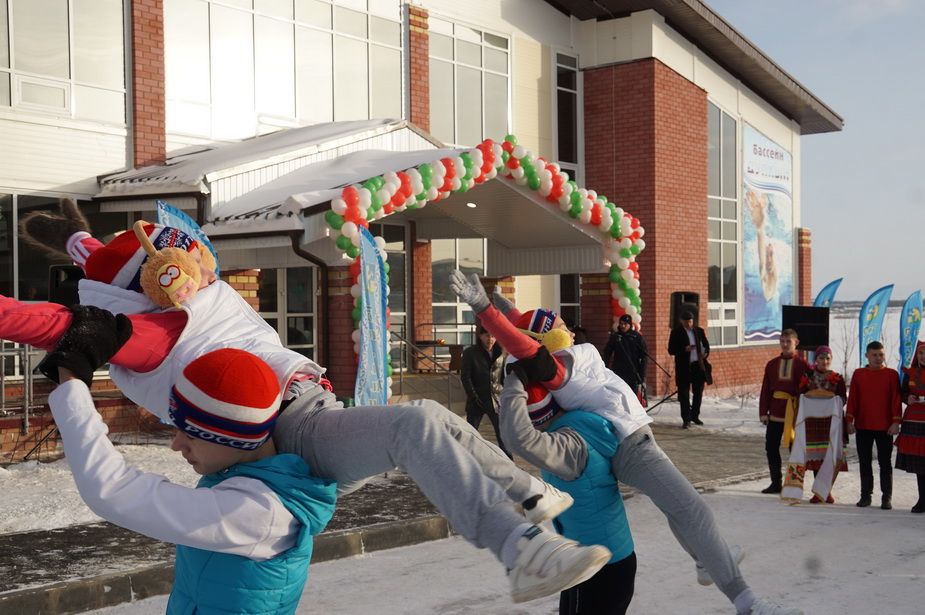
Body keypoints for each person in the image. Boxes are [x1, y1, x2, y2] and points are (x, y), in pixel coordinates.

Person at [4, 204, 607, 604]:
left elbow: (102, 258)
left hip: (303, 417)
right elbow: (57, 321)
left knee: (432, 424)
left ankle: (524, 493)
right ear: (150, 284)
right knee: (418, 423)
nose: (189, 272)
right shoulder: (151, 331)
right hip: (293, 429)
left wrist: (70, 235)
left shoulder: (161, 287)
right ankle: (519, 547)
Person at [451, 270, 804, 615]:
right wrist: (485, 310)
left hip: (631, 437)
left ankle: (704, 558)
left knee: (683, 511)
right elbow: (525, 345)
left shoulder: (564, 355)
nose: (568, 328)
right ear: (549, 341)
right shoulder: (560, 369)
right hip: (630, 445)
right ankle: (747, 602)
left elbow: (525, 330)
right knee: (692, 509)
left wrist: (501, 304)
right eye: (560, 326)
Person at [45, 346, 338, 614]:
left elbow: (112, 490)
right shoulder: (248, 476)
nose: (176, 445)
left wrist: (72, 385)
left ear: (235, 438)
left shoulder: (257, 511)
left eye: (191, 434)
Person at [499, 361, 636, 615]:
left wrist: (515, 382)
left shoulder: (569, 446)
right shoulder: (578, 429)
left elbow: (516, 438)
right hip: (594, 560)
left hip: (600, 567)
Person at [782, 346, 848, 504]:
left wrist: (831, 401)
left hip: (830, 424)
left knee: (829, 455)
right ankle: (818, 491)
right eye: (821, 358)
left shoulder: (837, 378)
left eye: (827, 359)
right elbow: (800, 395)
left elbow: (842, 399)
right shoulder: (808, 377)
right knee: (815, 457)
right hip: (812, 423)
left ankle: (826, 490)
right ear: (815, 360)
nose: (824, 361)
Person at [846, 340, 902, 510]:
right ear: (867, 356)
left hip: (885, 426)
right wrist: (849, 420)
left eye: (881, 355)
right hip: (863, 424)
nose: (878, 358)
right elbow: (853, 398)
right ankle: (865, 495)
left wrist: (896, 422)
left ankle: (887, 497)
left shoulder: (891, 375)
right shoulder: (859, 374)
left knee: (885, 463)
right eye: (874, 355)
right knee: (864, 461)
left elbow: (896, 400)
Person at [757, 329, 811, 494]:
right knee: (771, 447)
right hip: (774, 412)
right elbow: (765, 389)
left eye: (788, 341)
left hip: (794, 414)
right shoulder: (772, 364)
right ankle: (776, 483)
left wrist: (804, 413)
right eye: (782, 341)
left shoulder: (804, 365)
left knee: (795, 449)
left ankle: (795, 484)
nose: (785, 344)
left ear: (796, 343)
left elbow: (808, 390)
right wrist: (763, 411)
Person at [461, 324, 512, 458]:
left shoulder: (501, 352)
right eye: (487, 335)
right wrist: (473, 397)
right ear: (480, 336)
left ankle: (510, 463)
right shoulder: (470, 353)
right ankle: (463, 460)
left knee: (503, 434)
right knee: (469, 434)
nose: (490, 339)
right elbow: (465, 377)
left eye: (493, 336)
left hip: (496, 400)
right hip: (476, 400)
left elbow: (504, 375)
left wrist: (505, 395)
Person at [667, 311, 710, 428]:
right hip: (684, 367)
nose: (689, 324)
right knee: (684, 394)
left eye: (690, 321)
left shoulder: (699, 331)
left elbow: (706, 345)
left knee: (698, 392)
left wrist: (705, 353)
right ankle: (686, 419)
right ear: (682, 321)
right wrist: (684, 349)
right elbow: (671, 350)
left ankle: (695, 416)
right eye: (686, 322)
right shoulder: (676, 332)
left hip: (698, 365)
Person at [896, 341, 925, 513]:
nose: (923, 356)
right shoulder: (910, 373)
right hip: (914, 423)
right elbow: (902, 393)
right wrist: (908, 398)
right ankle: (922, 499)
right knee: (920, 465)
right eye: (921, 353)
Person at [603, 314, 648, 406]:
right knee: (619, 395)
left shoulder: (636, 337)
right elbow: (607, 353)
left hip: (633, 371)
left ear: (630, 325)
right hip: (618, 371)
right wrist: (605, 368)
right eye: (621, 323)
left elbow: (644, 357)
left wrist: (642, 374)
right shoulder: (615, 337)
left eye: (625, 324)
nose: (622, 326)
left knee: (632, 396)